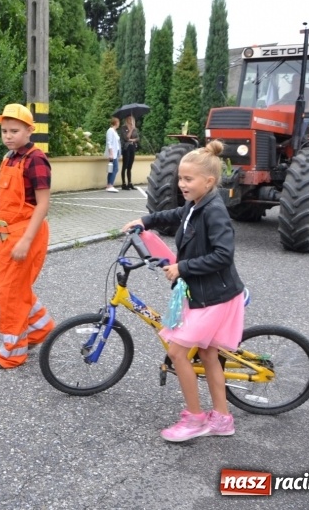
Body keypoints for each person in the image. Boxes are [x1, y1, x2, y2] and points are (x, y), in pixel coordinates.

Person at [121, 140, 245, 443]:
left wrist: (183, 268)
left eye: (188, 179)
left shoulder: (214, 211)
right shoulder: (196, 205)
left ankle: (195, 419)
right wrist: (145, 220)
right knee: (208, 354)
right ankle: (222, 419)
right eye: (180, 178)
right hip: (206, 293)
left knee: (177, 352)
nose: (182, 184)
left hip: (214, 296)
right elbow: (177, 214)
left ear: (209, 181)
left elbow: (223, 255)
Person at [0, 103, 55, 369]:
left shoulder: (35, 159)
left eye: (14, 130)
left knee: (11, 292)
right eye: (4, 131)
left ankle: (12, 353)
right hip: (7, 236)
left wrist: (26, 240)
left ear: (30, 130)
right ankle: (41, 327)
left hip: (27, 234)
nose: (8, 136)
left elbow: (43, 204)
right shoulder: (9, 158)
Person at [119, 115, 139, 190]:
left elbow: (137, 138)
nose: (131, 121)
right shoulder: (123, 128)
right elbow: (126, 138)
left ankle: (130, 183)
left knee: (130, 166)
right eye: (130, 119)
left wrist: (132, 140)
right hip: (126, 148)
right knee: (125, 165)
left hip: (132, 147)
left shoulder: (135, 129)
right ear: (127, 120)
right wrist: (130, 130)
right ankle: (124, 183)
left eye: (132, 119)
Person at [104, 117, 121, 192]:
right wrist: (111, 153)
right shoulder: (110, 131)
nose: (119, 123)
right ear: (116, 123)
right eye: (118, 122)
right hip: (112, 153)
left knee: (112, 169)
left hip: (115, 153)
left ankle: (109, 185)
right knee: (115, 169)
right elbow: (109, 143)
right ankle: (110, 185)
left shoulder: (114, 131)